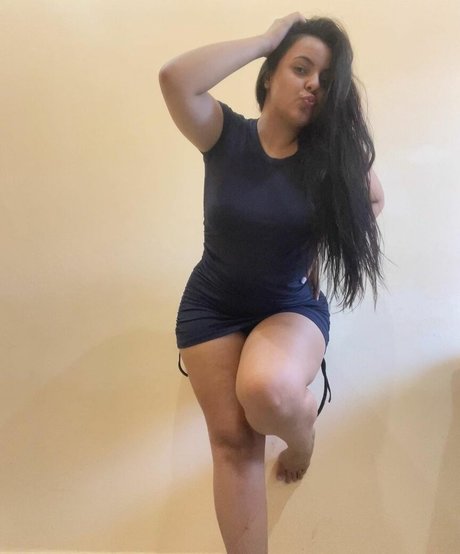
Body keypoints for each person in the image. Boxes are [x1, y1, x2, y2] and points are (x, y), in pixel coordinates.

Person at [159, 12, 385, 553]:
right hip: (211, 306)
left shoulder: (328, 161)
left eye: (325, 79)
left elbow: (374, 199)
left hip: (288, 305)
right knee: (233, 444)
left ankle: (302, 436)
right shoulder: (224, 135)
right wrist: (265, 40)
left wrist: (324, 241)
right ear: (269, 74)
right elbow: (175, 79)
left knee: (266, 391)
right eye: (300, 68)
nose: (313, 85)